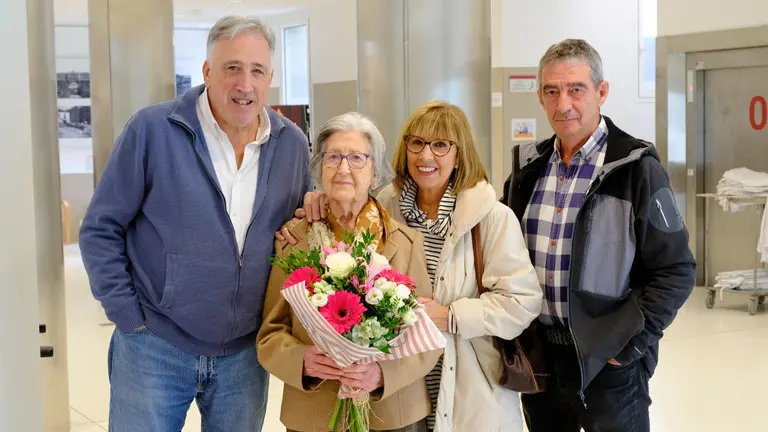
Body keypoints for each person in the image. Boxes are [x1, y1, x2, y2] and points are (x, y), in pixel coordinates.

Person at [79, 16, 311, 431]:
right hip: (154, 346)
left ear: (270, 77)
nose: (245, 84)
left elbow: (297, 231)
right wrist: (128, 317)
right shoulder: (152, 130)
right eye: (232, 68)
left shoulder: (291, 144)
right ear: (207, 71)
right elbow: (100, 228)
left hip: (244, 355)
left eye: (257, 71)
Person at [279, 102, 543, 431]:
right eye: (415, 143)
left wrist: (450, 316)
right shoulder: (387, 208)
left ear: (460, 155)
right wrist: (314, 198)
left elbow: (522, 303)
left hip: (465, 377)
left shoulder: (490, 217)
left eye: (441, 145)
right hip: (398, 387)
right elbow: (345, 194)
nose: (425, 156)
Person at [500, 39, 696, 431]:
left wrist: (631, 346)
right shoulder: (527, 170)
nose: (563, 104)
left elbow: (676, 270)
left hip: (608, 364)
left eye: (576, 89)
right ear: (540, 97)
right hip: (541, 362)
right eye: (552, 92)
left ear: (601, 92)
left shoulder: (635, 169)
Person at [257, 112, 442, 432]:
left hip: (392, 413)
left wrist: (384, 372)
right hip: (314, 413)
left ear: (374, 172)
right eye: (333, 157)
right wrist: (302, 360)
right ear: (319, 169)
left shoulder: (406, 243)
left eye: (357, 158)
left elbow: (428, 338)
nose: (344, 168)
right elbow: (269, 334)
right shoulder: (293, 241)